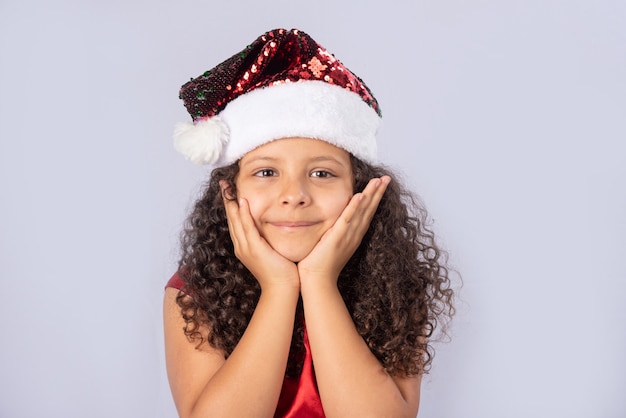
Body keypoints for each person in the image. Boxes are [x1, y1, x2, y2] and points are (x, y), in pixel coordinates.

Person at [163, 28, 455, 418]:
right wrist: (279, 286)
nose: (294, 194)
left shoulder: (396, 284)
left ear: (360, 189)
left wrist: (318, 282)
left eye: (322, 174)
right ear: (229, 192)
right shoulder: (193, 291)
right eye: (266, 173)